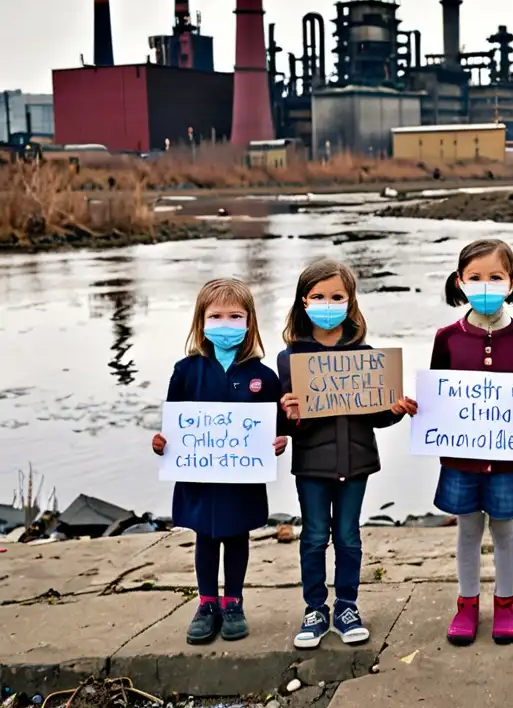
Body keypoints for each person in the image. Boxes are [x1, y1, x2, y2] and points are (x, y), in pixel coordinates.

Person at [391, 239, 513, 647]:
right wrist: (419, 408)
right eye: (476, 277)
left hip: (508, 459)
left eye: (495, 277)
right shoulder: (447, 337)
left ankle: (506, 604)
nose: (486, 284)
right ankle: (467, 605)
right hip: (461, 458)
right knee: (467, 529)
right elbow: (439, 395)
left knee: (505, 529)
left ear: (512, 281)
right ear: (460, 282)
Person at [278, 258, 408, 649]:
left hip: (357, 462)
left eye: (337, 296)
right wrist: (290, 415)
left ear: (350, 303)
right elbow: (284, 425)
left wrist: (395, 411)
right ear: (304, 302)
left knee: (349, 536)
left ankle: (347, 605)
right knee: (314, 536)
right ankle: (315, 609)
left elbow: (377, 416)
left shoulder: (366, 356)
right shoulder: (289, 359)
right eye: (319, 296)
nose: (328, 303)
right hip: (312, 466)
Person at [152, 279, 287, 645]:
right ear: (201, 320)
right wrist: (161, 443)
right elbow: (172, 426)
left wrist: (278, 442)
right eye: (216, 316)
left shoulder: (264, 376)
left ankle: (234, 602)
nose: (225, 323)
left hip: (241, 478)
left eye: (235, 316)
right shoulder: (185, 371)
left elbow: (277, 427)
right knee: (206, 537)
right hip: (199, 477)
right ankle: (207, 603)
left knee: (238, 536)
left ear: (249, 322)